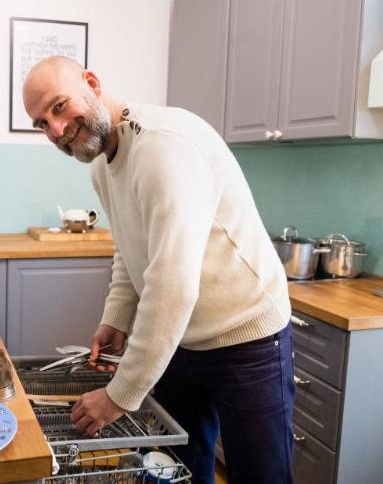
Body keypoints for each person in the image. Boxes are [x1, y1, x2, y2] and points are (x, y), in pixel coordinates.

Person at [22, 56, 294, 484]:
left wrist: (118, 396)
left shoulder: (164, 149)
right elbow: (132, 252)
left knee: (261, 476)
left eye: (58, 107)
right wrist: (116, 317)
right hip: (180, 339)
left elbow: (172, 288)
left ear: (92, 83)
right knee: (174, 472)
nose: (55, 130)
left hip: (247, 337)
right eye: (42, 123)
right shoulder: (102, 166)